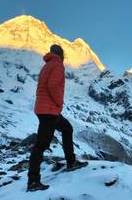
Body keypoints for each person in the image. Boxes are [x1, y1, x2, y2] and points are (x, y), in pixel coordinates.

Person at [27, 44, 88, 192]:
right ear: (61, 55)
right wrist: (59, 102)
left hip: (44, 109)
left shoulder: (47, 66)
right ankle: (33, 182)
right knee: (41, 145)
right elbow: (53, 85)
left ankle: (71, 161)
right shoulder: (57, 66)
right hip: (50, 110)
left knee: (67, 129)